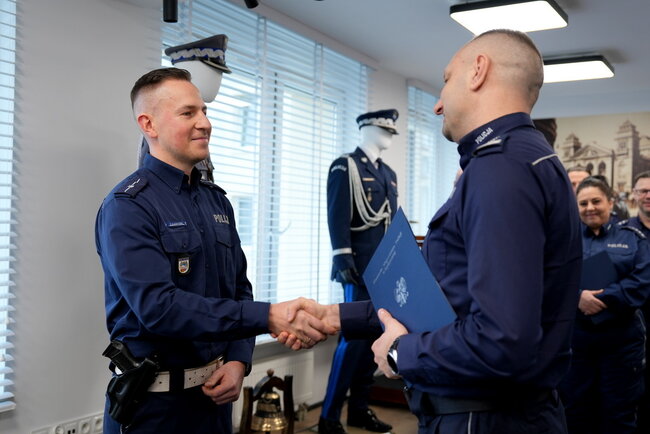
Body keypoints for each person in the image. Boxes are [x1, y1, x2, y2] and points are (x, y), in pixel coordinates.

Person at [281, 28, 583, 434]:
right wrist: (335, 315)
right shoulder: (522, 158)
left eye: (446, 79)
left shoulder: (500, 169)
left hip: (483, 417)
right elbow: (446, 299)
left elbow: (502, 340)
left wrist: (400, 352)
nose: (438, 104)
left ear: (478, 71)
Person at [95, 67, 334, 434]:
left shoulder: (216, 202)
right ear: (149, 124)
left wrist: (238, 360)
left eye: (204, 111)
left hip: (214, 401)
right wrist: (270, 316)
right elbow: (160, 308)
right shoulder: (128, 206)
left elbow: (238, 289)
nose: (205, 123)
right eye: (188, 113)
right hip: (153, 407)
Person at [319, 109, 398, 434]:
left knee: (375, 340)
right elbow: (337, 215)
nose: (389, 135)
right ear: (366, 129)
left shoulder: (388, 173)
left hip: (383, 270)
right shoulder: (346, 166)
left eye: (391, 131)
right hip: (358, 268)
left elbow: (389, 222)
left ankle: (359, 410)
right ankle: (328, 417)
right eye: (384, 129)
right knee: (352, 342)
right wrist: (343, 260)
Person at [559, 176, 650, 434]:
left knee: (619, 415)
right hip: (577, 344)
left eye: (596, 201)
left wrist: (600, 299)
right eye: (583, 203)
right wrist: (577, 297)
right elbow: (550, 280)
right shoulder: (564, 241)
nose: (590, 208)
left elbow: (643, 282)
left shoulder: (633, 238)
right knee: (575, 413)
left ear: (610, 202)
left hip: (622, 344)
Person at [619, 170, 650, 433]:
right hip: (633, 325)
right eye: (643, 191)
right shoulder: (622, 233)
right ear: (634, 195)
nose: (648, 195)